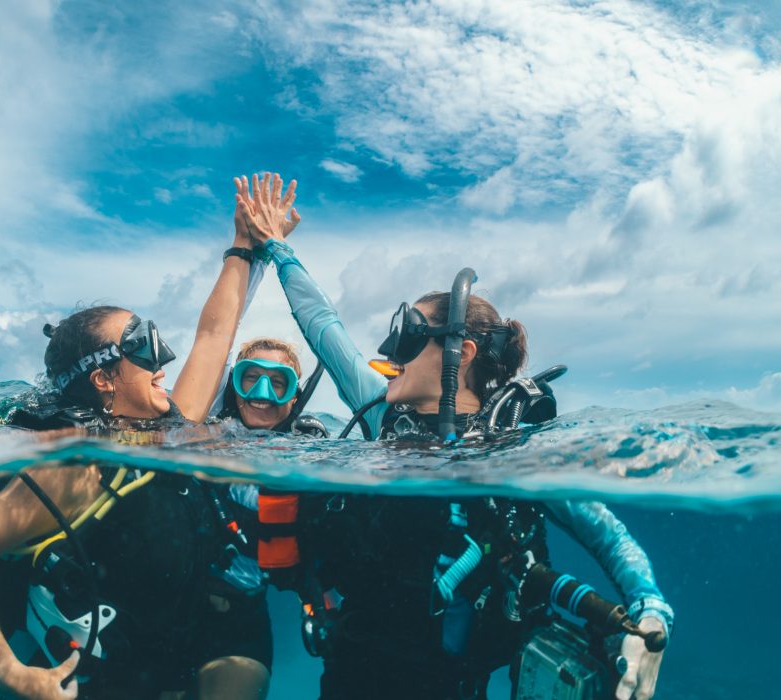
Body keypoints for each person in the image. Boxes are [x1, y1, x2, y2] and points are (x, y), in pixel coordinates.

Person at [242, 208, 673, 700]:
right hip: (352, 671)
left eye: (407, 334)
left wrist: (652, 612)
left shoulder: (515, 446)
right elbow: (323, 325)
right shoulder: (385, 415)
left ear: (460, 354)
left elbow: (609, 537)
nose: (388, 349)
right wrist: (277, 247)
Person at [0, 173, 299, 700]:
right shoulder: (75, 467)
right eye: (142, 346)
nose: (163, 360)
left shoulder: (172, 426)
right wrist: (7, 671)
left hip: (169, 652)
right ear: (103, 378)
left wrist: (242, 243)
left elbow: (214, 334)